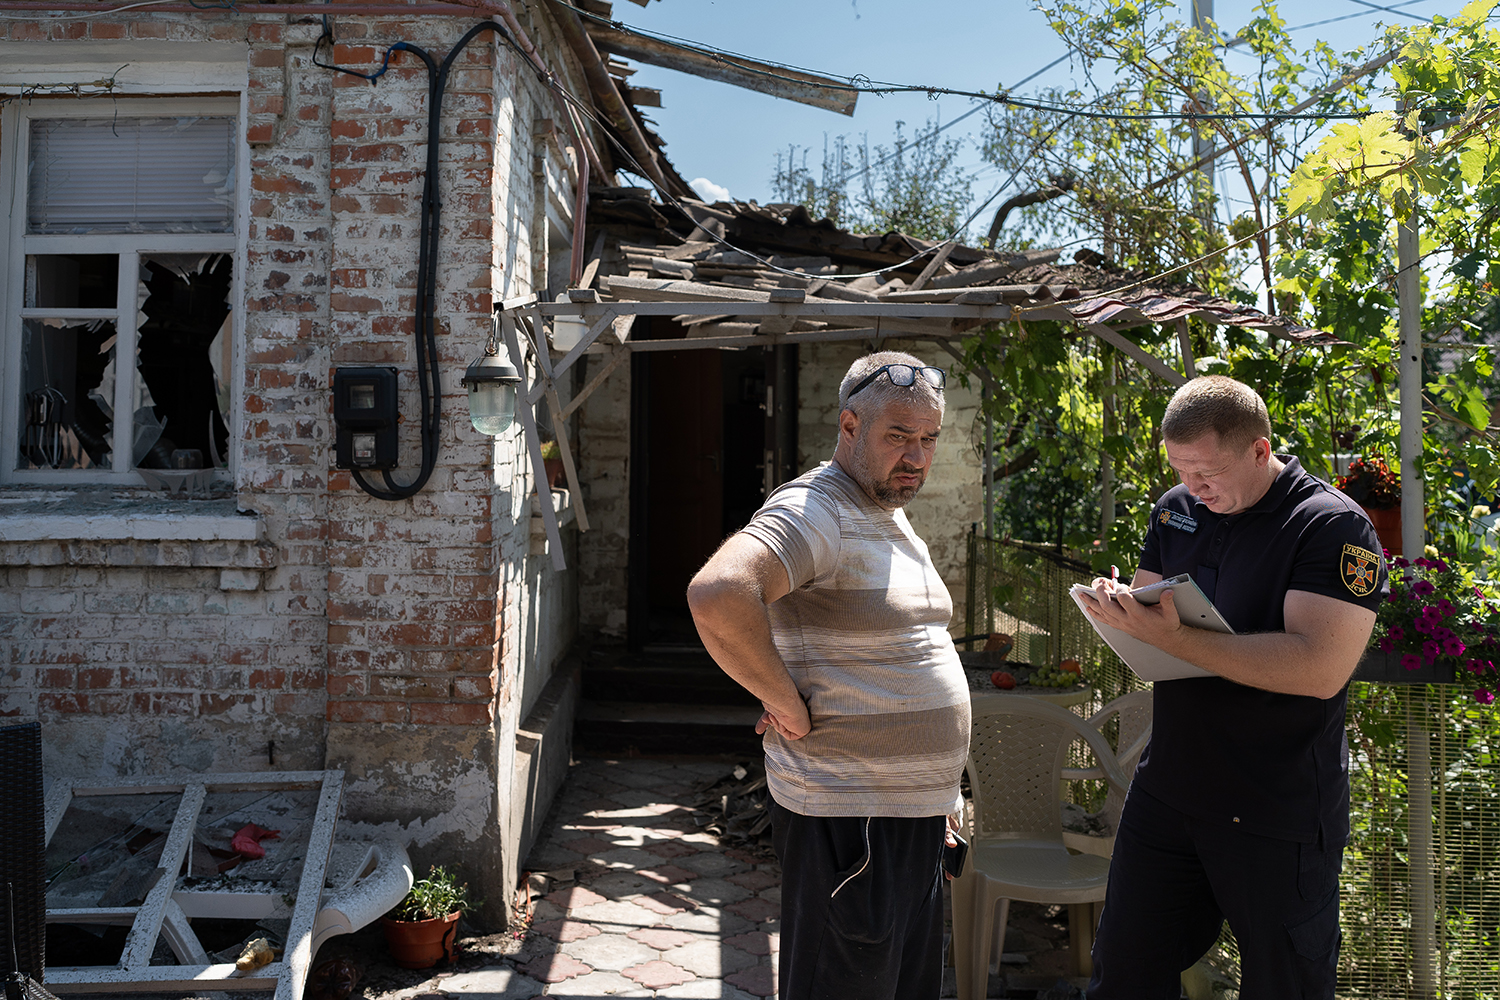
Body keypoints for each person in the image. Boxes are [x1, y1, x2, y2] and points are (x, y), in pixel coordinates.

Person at [1079, 375, 1387, 998]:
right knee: (1122, 974)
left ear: (1259, 449)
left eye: (1207, 473)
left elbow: (1320, 669)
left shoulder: (1331, 527)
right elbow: (1152, 631)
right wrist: (1122, 613)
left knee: (1283, 986)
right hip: (1170, 788)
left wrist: (1174, 639)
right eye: (1182, 470)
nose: (1195, 487)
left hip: (1276, 806)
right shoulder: (1177, 509)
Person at [686, 351, 970, 1000]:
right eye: (899, 436)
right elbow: (720, 593)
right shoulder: (820, 509)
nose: (918, 456)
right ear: (849, 427)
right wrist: (781, 699)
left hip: (910, 824)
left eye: (929, 438)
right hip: (854, 825)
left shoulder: (884, 512)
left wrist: (943, 802)